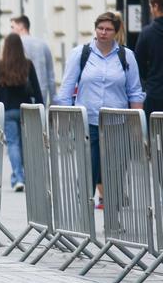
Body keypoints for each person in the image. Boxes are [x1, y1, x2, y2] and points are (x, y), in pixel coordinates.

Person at [55, 11, 144, 208]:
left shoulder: (126, 56)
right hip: (88, 124)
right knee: (88, 172)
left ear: (116, 32)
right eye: (100, 28)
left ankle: (114, 220)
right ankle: (84, 220)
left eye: (108, 29)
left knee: (116, 174)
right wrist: (64, 121)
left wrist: (138, 125)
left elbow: (135, 92)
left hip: (117, 124)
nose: (103, 33)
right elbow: (66, 90)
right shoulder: (81, 54)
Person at [0, 33, 42, 191]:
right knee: (23, 144)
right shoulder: (27, 65)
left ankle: (18, 177)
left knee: (13, 144)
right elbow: (37, 90)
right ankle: (22, 176)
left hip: (7, 110)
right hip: (25, 110)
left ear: (5, 47)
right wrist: (41, 109)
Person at [9, 16, 55, 104]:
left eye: (13, 27)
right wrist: (53, 102)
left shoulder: (16, 46)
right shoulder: (43, 44)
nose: (11, 31)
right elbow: (51, 76)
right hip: (42, 91)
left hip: (23, 94)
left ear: (21, 26)